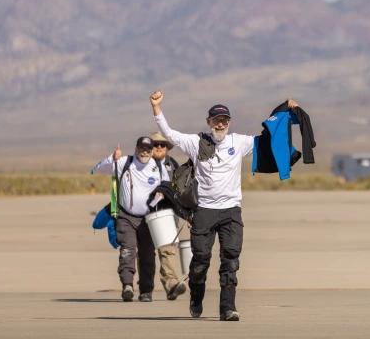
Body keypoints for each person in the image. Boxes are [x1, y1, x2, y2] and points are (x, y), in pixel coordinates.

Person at [150, 89, 299, 321]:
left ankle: (227, 308)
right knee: (200, 260)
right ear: (208, 121)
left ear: (229, 122)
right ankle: (196, 297)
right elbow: (169, 134)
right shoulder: (195, 143)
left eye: (224, 120)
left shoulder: (238, 142)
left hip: (231, 210)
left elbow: (269, 136)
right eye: (216, 120)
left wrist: (283, 110)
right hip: (204, 211)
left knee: (231, 259)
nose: (220, 124)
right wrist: (156, 108)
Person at [93, 136, 164, 302]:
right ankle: (127, 285)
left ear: (152, 151)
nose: (144, 152)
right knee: (128, 250)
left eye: (148, 149)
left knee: (147, 255)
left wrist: (164, 196)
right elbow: (102, 168)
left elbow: (168, 188)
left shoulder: (158, 166)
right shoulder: (125, 162)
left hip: (149, 219)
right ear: (136, 149)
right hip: (126, 216)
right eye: (141, 148)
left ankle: (146, 291)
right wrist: (113, 158)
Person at [149, 130, 189, 301]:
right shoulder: (141, 164)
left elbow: (181, 190)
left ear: (167, 147)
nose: (159, 147)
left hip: (166, 215)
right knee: (144, 254)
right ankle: (140, 287)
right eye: (155, 144)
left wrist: (188, 214)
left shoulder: (173, 164)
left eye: (162, 144)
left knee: (167, 250)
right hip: (145, 213)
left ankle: (172, 284)